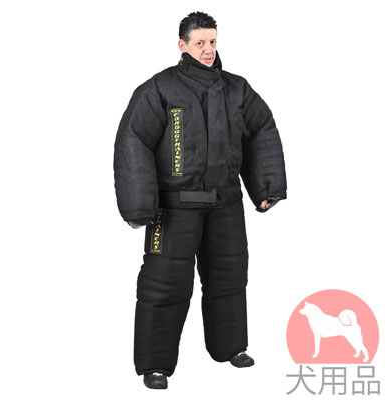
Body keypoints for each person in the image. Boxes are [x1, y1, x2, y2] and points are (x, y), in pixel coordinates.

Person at [113, 11, 287, 389]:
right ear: (182, 45)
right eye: (200, 43)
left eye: (213, 42)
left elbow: (260, 129)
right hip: (173, 207)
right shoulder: (159, 90)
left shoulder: (237, 89)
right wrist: (139, 204)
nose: (208, 50)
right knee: (164, 284)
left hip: (226, 203)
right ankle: (155, 365)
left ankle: (231, 347)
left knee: (229, 277)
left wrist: (266, 186)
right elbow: (133, 139)